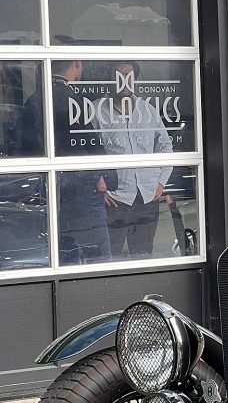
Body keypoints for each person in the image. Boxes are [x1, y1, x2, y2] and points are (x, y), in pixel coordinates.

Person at [22, 56, 112, 264]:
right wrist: (103, 175)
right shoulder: (77, 101)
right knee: (96, 254)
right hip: (82, 186)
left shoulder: (34, 99)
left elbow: (24, 145)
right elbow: (90, 143)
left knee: (57, 249)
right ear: (77, 63)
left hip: (45, 185)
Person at [96, 61, 174, 258]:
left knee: (143, 255)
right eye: (119, 77)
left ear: (135, 81)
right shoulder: (95, 111)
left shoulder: (147, 110)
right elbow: (85, 151)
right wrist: (97, 186)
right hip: (115, 198)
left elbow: (165, 145)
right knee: (108, 257)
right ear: (110, 79)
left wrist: (161, 181)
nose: (124, 83)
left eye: (128, 77)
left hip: (147, 196)